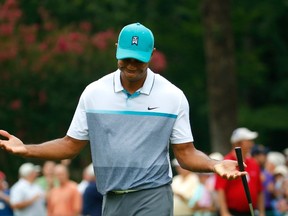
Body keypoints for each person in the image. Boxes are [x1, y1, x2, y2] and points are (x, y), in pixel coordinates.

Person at [0, 22, 246, 216]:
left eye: (138, 58)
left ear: (151, 54)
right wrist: (26, 150)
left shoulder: (172, 96)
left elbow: (185, 153)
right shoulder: (94, 93)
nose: (131, 64)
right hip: (111, 197)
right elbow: (70, 145)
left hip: (153, 195)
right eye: (126, 56)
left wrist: (214, 165)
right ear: (117, 49)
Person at [215, 127, 265, 216]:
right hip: (231, 213)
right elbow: (220, 189)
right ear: (238, 143)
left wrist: (262, 212)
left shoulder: (253, 163)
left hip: (250, 212)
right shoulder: (225, 163)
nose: (252, 144)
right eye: (248, 141)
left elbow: (259, 190)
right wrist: (224, 212)